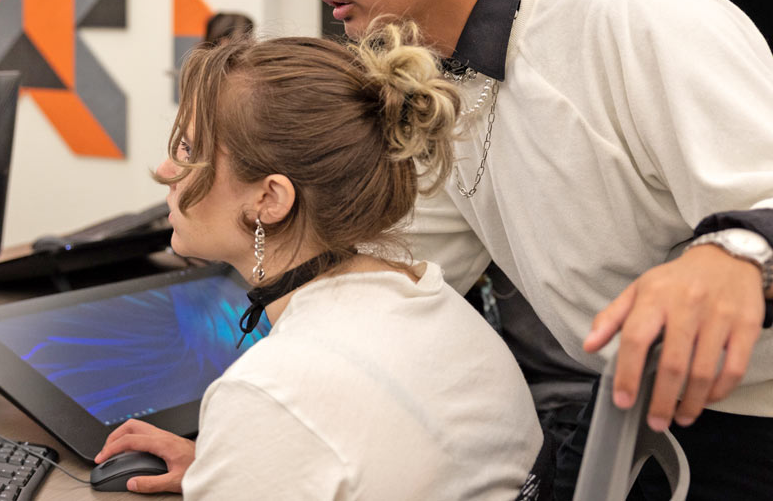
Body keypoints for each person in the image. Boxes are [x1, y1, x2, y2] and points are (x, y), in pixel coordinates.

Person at [289, 0, 773, 497]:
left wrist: (732, 253)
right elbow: (387, 285)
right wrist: (252, 440)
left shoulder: (630, 15)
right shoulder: (442, 84)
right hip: (638, 418)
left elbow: (762, 200)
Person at [95, 27, 543, 498]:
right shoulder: (439, 305)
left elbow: (306, 419)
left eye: (188, 150)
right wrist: (239, 465)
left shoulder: (271, 395)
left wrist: (253, 443)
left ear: (270, 199)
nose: (167, 171)